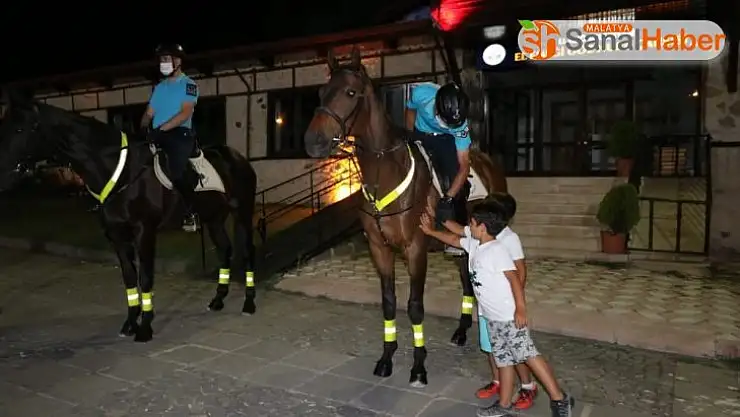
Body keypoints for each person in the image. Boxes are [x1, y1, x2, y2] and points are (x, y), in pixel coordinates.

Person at [419, 201, 574, 417]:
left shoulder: (497, 250)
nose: (469, 227)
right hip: (492, 318)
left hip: (508, 317)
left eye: (472, 223)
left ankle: (559, 399)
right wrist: (430, 232)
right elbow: (454, 239)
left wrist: (520, 309)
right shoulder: (475, 244)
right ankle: (504, 404)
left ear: (482, 227)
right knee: (504, 360)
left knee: (528, 355)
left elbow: (514, 280)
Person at [140, 43, 200, 232]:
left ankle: (191, 212)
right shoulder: (159, 87)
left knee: (176, 172)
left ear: (178, 61)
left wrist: (161, 129)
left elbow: (185, 113)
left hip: (180, 134)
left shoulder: (188, 85)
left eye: (166, 59)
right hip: (158, 134)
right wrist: (142, 128)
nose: (163, 63)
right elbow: (149, 113)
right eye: (161, 60)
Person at [405, 82, 471, 227]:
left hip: (444, 140)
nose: (448, 125)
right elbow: (411, 110)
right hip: (419, 132)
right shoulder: (421, 93)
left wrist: (448, 198)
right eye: (446, 121)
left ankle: (460, 222)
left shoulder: (461, 126)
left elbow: (464, 165)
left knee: (455, 176)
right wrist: (409, 134)